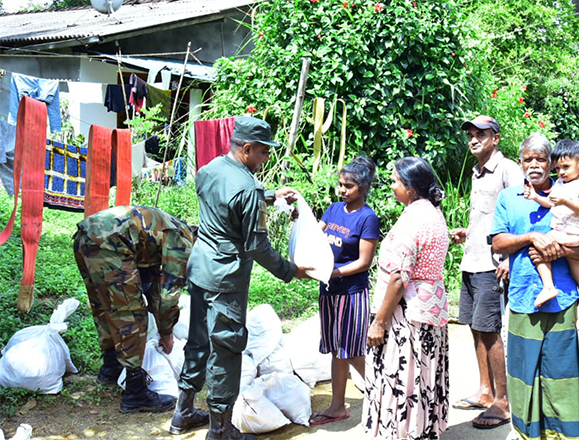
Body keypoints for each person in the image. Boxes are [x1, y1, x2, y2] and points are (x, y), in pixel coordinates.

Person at [170, 117, 311, 439]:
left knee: (198, 341)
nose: (265, 159)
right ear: (246, 149)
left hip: (201, 268)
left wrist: (270, 195)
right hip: (226, 279)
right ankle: (220, 430)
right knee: (226, 349)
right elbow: (256, 245)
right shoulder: (249, 189)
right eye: (263, 152)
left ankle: (183, 411)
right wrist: (291, 270)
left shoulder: (208, 170)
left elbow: (227, 201)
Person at [491, 132, 579, 440]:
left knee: (561, 374)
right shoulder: (509, 198)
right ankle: (525, 432)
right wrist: (530, 237)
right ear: (521, 162)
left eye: (541, 159)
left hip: (562, 299)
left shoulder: (567, 192)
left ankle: (562, 435)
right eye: (528, 159)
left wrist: (560, 251)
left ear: (551, 164)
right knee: (523, 372)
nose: (534, 165)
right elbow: (498, 241)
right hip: (522, 297)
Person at [73, 205, 195, 414]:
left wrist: (161, 321)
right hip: (111, 243)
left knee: (103, 303)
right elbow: (168, 295)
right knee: (131, 314)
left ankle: (111, 367)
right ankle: (135, 392)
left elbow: (154, 285)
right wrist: (166, 333)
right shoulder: (183, 242)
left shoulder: (169, 227)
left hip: (85, 235)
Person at [362, 157, 450, 439]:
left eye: (395, 181)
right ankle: (420, 430)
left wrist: (379, 321)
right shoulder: (433, 213)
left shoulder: (412, 220)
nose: (391, 186)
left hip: (407, 314)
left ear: (410, 188)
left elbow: (400, 277)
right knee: (422, 373)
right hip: (430, 308)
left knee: (402, 374)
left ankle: (401, 432)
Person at [450, 115, 523, 429]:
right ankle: (485, 391)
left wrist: (508, 256)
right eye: (470, 134)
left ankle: (502, 403)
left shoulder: (508, 169)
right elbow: (490, 217)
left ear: (495, 138)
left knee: (490, 330)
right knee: (475, 327)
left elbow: (519, 214)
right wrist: (469, 232)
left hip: (492, 265)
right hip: (472, 259)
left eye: (481, 134)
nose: (474, 139)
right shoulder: (477, 171)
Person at [309, 156, 380, 426]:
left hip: (351, 294)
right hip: (328, 291)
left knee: (351, 350)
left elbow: (364, 262)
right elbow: (315, 235)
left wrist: (334, 272)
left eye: (348, 186)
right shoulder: (334, 209)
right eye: (340, 184)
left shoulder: (368, 218)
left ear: (363, 187)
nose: (342, 190)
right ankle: (338, 406)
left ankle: (385, 394)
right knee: (337, 350)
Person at [524, 139, 579, 329]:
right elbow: (550, 203)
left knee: (538, 245)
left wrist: (566, 201)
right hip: (565, 231)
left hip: (574, 231)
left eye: (566, 167)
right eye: (557, 168)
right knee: (578, 271)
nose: (561, 172)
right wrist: (536, 197)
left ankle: (548, 286)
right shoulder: (560, 184)